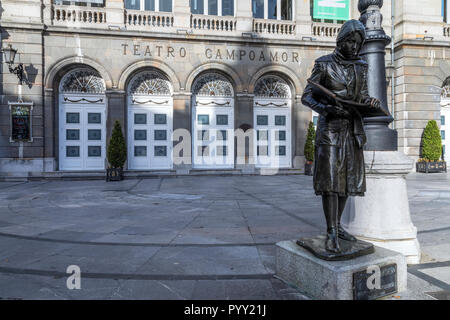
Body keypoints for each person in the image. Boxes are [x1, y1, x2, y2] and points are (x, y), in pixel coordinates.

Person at [301, 19, 381, 253]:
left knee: (348, 182)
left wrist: (370, 102)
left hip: (351, 129)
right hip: (330, 130)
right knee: (331, 183)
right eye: (351, 43)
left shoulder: (361, 66)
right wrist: (326, 109)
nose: (355, 48)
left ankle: (339, 225)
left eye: (358, 44)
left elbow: (363, 95)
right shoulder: (323, 65)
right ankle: (331, 231)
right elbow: (307, 96)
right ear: (341, 40)